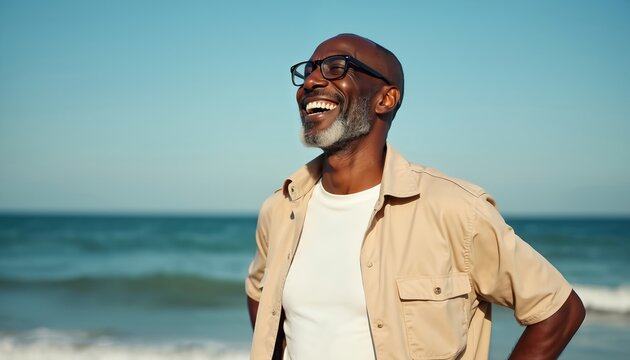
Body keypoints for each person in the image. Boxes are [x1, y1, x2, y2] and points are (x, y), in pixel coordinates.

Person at [245, 33, 585, 360]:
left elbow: (559, 310)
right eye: (308, 70)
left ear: (385, 99)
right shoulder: (281, 208)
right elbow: (260, 295)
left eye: (336, 67)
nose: (311, 82)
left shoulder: (454, 209)